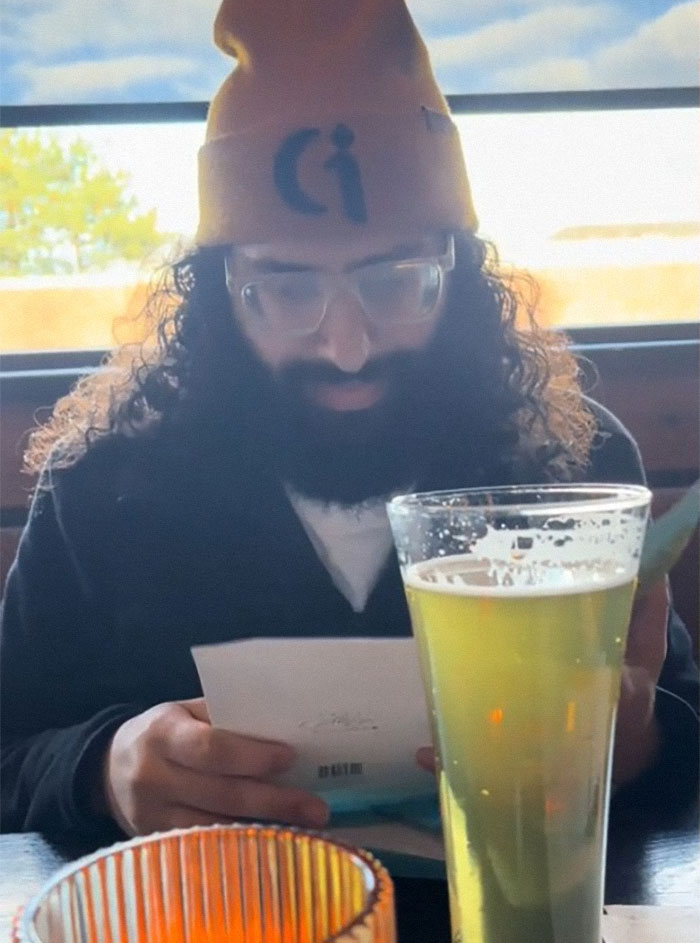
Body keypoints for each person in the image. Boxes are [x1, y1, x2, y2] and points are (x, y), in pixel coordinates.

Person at [1, 0, 697, 916]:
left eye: (398, 279)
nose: (349, 346)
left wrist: (629, 731)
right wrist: (107, 765)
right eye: (284, 287)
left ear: (461, 270)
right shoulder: (105, 485)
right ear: (217, 290)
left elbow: (681, 720)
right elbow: (11, 741)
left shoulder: (574, 466)